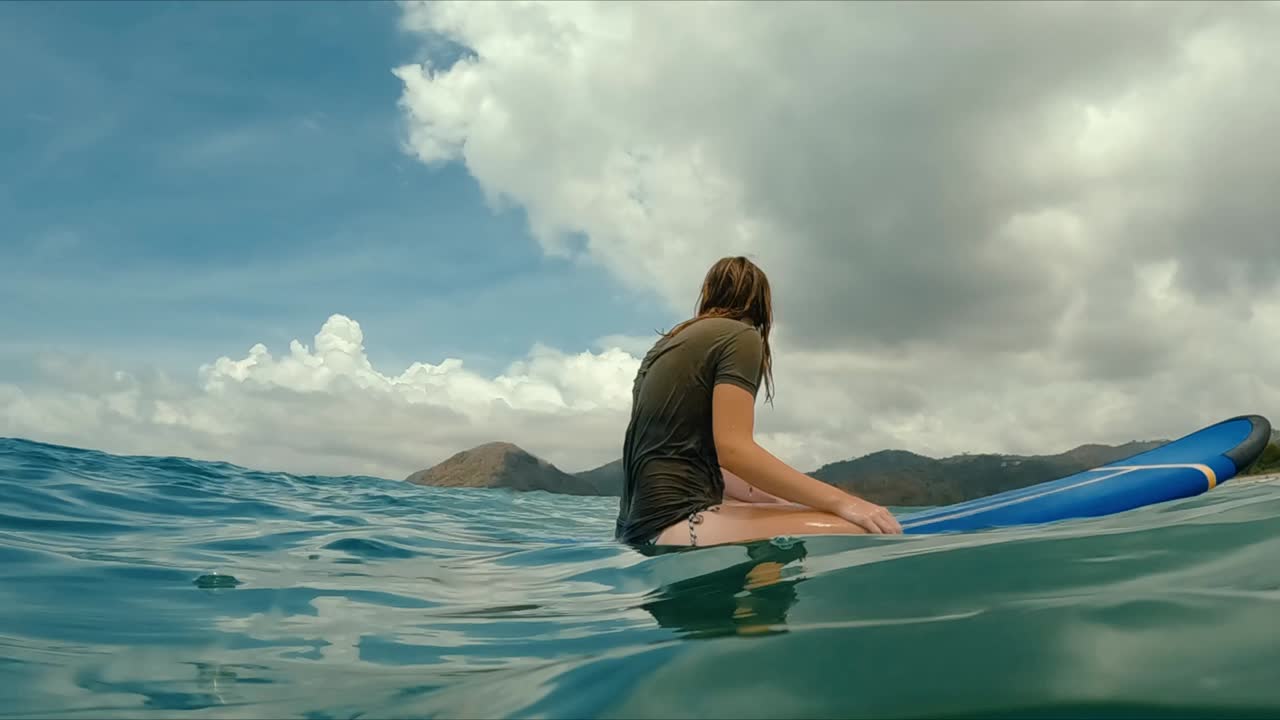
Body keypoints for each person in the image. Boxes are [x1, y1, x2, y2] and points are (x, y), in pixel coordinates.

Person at [614, 256, 903, 548]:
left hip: (635, 530)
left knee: (789, 509)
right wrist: (846, 503)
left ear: (708, 292)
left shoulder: (664, 348)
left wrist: (779, 501)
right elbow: (734, 451)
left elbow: (711, 467)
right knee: (864, 529)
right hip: (676, 521)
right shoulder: (740, 336)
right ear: (762, 302)